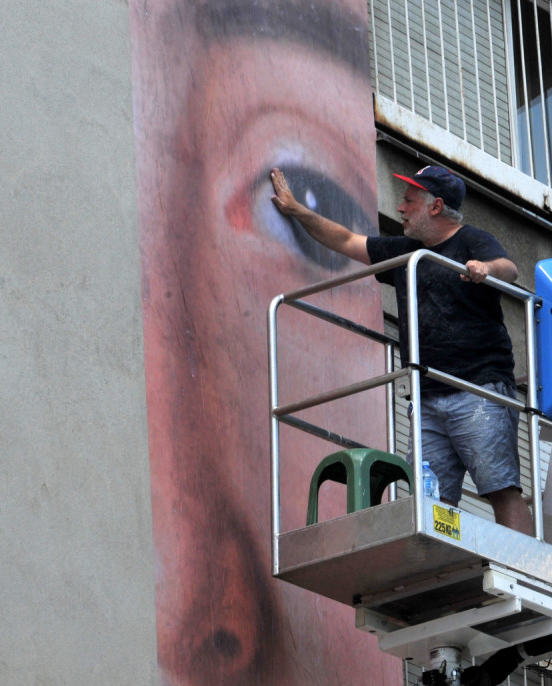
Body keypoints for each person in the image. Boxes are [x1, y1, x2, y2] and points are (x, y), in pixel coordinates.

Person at [131, 0, 401, 684]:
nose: (185, 612)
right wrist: (299, 207)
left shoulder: (462, 261)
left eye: (324, 182)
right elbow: (352, 240)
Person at [270, 165, 534, 535]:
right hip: (427, 395)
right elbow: (347, 240)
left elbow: (509, 269)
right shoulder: (406, 251)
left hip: (479, 389)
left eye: (409, 201)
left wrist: (483, 268)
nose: (401, 208)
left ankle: (521, 568)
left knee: (500, 486)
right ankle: (437, 571)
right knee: (428, 501)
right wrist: (298, 212)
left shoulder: (473, 240)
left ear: (436, 206)